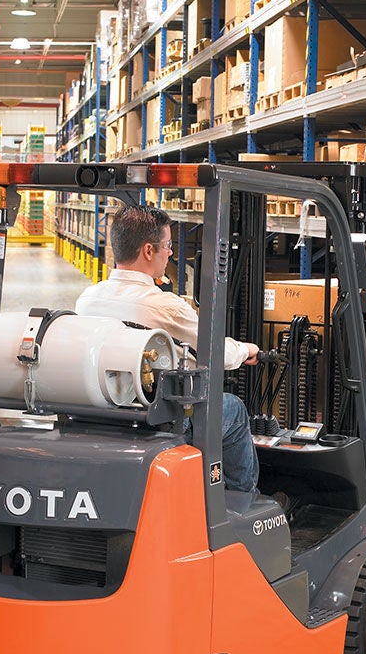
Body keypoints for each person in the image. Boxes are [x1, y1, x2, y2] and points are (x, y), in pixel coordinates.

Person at [76, 205, 261, 494]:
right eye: (168, 245)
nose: (171, 253)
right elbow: (218, 353)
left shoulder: (88, 298)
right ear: (148, 251)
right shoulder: (164, 305)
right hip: (154, 420)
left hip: (102, 412)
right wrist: (246, 349)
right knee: (233, 409)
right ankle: (240, 500)